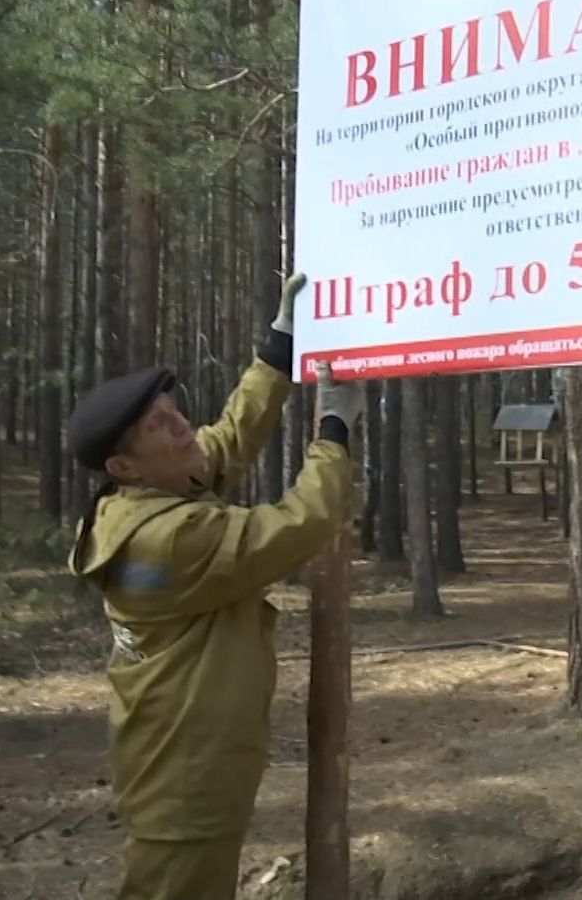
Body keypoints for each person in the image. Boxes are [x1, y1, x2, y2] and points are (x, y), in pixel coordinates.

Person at [65, 274, 361, 900]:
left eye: (175, 413)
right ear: (125, 465)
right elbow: (296, 526)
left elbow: (223, 440)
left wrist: (278, 348)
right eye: (159, 426)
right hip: (184, 773)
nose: (182, 428)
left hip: (179, 759)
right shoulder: (170, 539)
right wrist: (334, 432)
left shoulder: (142, 498)